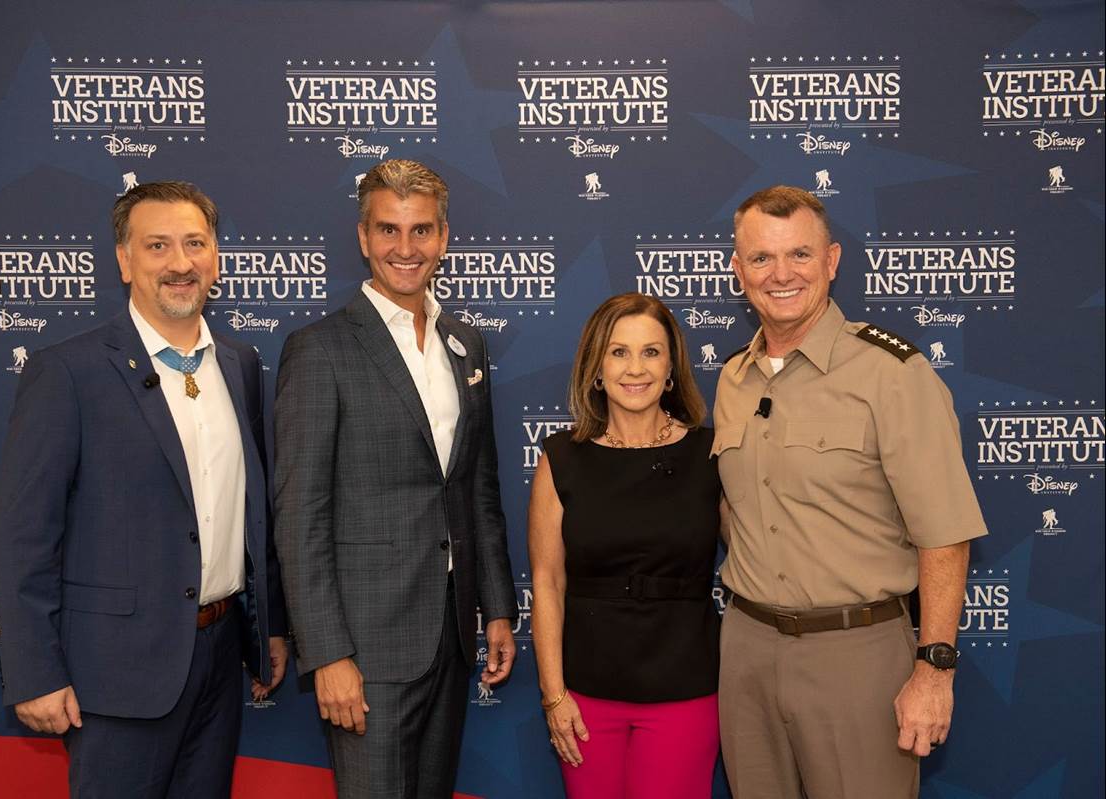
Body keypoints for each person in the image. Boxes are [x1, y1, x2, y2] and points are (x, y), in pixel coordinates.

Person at [0, 181, 288, 799]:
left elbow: (250, 517)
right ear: (125, 261)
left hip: (219, 659)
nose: (180, 263)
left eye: (194, 244)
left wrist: (268, 627)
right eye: (158, 245)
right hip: (113, 674)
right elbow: (24, 536)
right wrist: (33, 672)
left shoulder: (239, 363)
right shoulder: (67, 371)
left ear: (217, 258)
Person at [713, 185, 988, 798]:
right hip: (747, 650)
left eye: (800, 256)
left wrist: (934, 670)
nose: (781, 274)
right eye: (760, 258)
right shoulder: (733, 378)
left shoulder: (893, 374)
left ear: (832, 261)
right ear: (738, 270)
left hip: (856, 654)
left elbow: (944, 535)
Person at [274, 159, 517, 799]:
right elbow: (300, 516)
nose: (405, 249)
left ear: (443, 236)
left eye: (421, 231)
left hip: (450, 633)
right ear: (363, 237)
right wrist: (327, 654)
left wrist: (496, 608)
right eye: (388, 230)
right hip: (366, 647)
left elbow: (477, 489)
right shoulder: (319, 349)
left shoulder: (465, 343)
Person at [529, 293, 722, 799]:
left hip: (686, 689)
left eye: (651, 352)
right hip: (586, 697)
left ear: (672, 368)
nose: (635, 368)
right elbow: (547, 583)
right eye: (618, 352)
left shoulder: (711, 455)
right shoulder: (560, 459)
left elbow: (758, 558)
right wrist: (553, 696)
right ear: (596, 368)